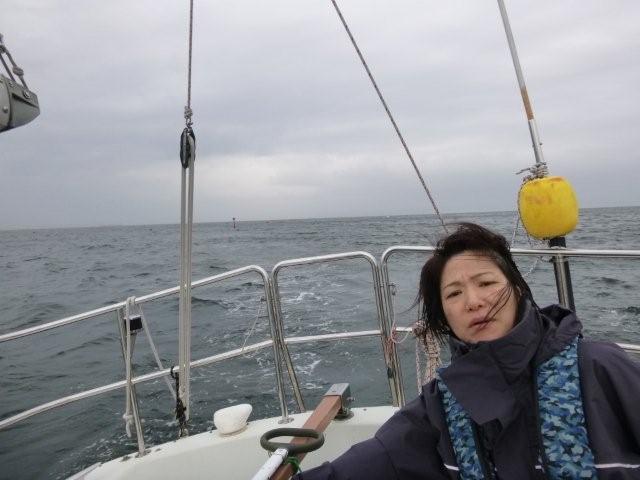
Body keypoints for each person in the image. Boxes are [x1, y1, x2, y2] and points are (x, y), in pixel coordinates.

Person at [295, 223, 640, 479]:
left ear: (518, 289)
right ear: (443, 316)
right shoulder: (441, 406)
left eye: (486, 283)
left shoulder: (601, 368)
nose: (473, 302)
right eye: (454, 294)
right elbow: (373, 462)